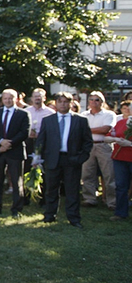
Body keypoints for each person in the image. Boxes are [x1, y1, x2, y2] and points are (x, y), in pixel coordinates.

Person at [35, 92, 93, 228]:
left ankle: (74, 218)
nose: (63, 104)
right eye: (60, 102)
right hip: (53, 159)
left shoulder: (80, 120)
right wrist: (38, 157)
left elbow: (87, 142)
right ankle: (49, 215)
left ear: (71, 103)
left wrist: (81, 158)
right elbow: (41, 140)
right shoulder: (48, 120)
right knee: (51, 189)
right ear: (56, 103)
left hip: (72, 159)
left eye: (66, 102)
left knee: (72, 190)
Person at [0, 89, 31, 217]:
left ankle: (17, 209)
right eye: (5, 98)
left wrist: (9, 143)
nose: (7, 101)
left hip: (15, 151)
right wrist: (1, 141)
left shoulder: (23, 114)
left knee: (17, 181)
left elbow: (24, 132)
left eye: (10, 98)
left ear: (16, 99)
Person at [80, 91, 116, 210]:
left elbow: (105, 129)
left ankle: (112, 201)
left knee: (109, 174)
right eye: (92, 99)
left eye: (97, 100)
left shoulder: (109, 114)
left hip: (103, 145)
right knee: (87, 174)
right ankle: (89, 198)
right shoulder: (84, 114)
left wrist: (87, 130)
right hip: (88, 146)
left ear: (102, 102)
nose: (94, 102)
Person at [105, 100, 132, 221]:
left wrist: (129, 144)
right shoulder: (121, 122)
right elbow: (109, 135)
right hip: (120, 158)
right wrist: (113, 139)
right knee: (121, 186)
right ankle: (121, 212)